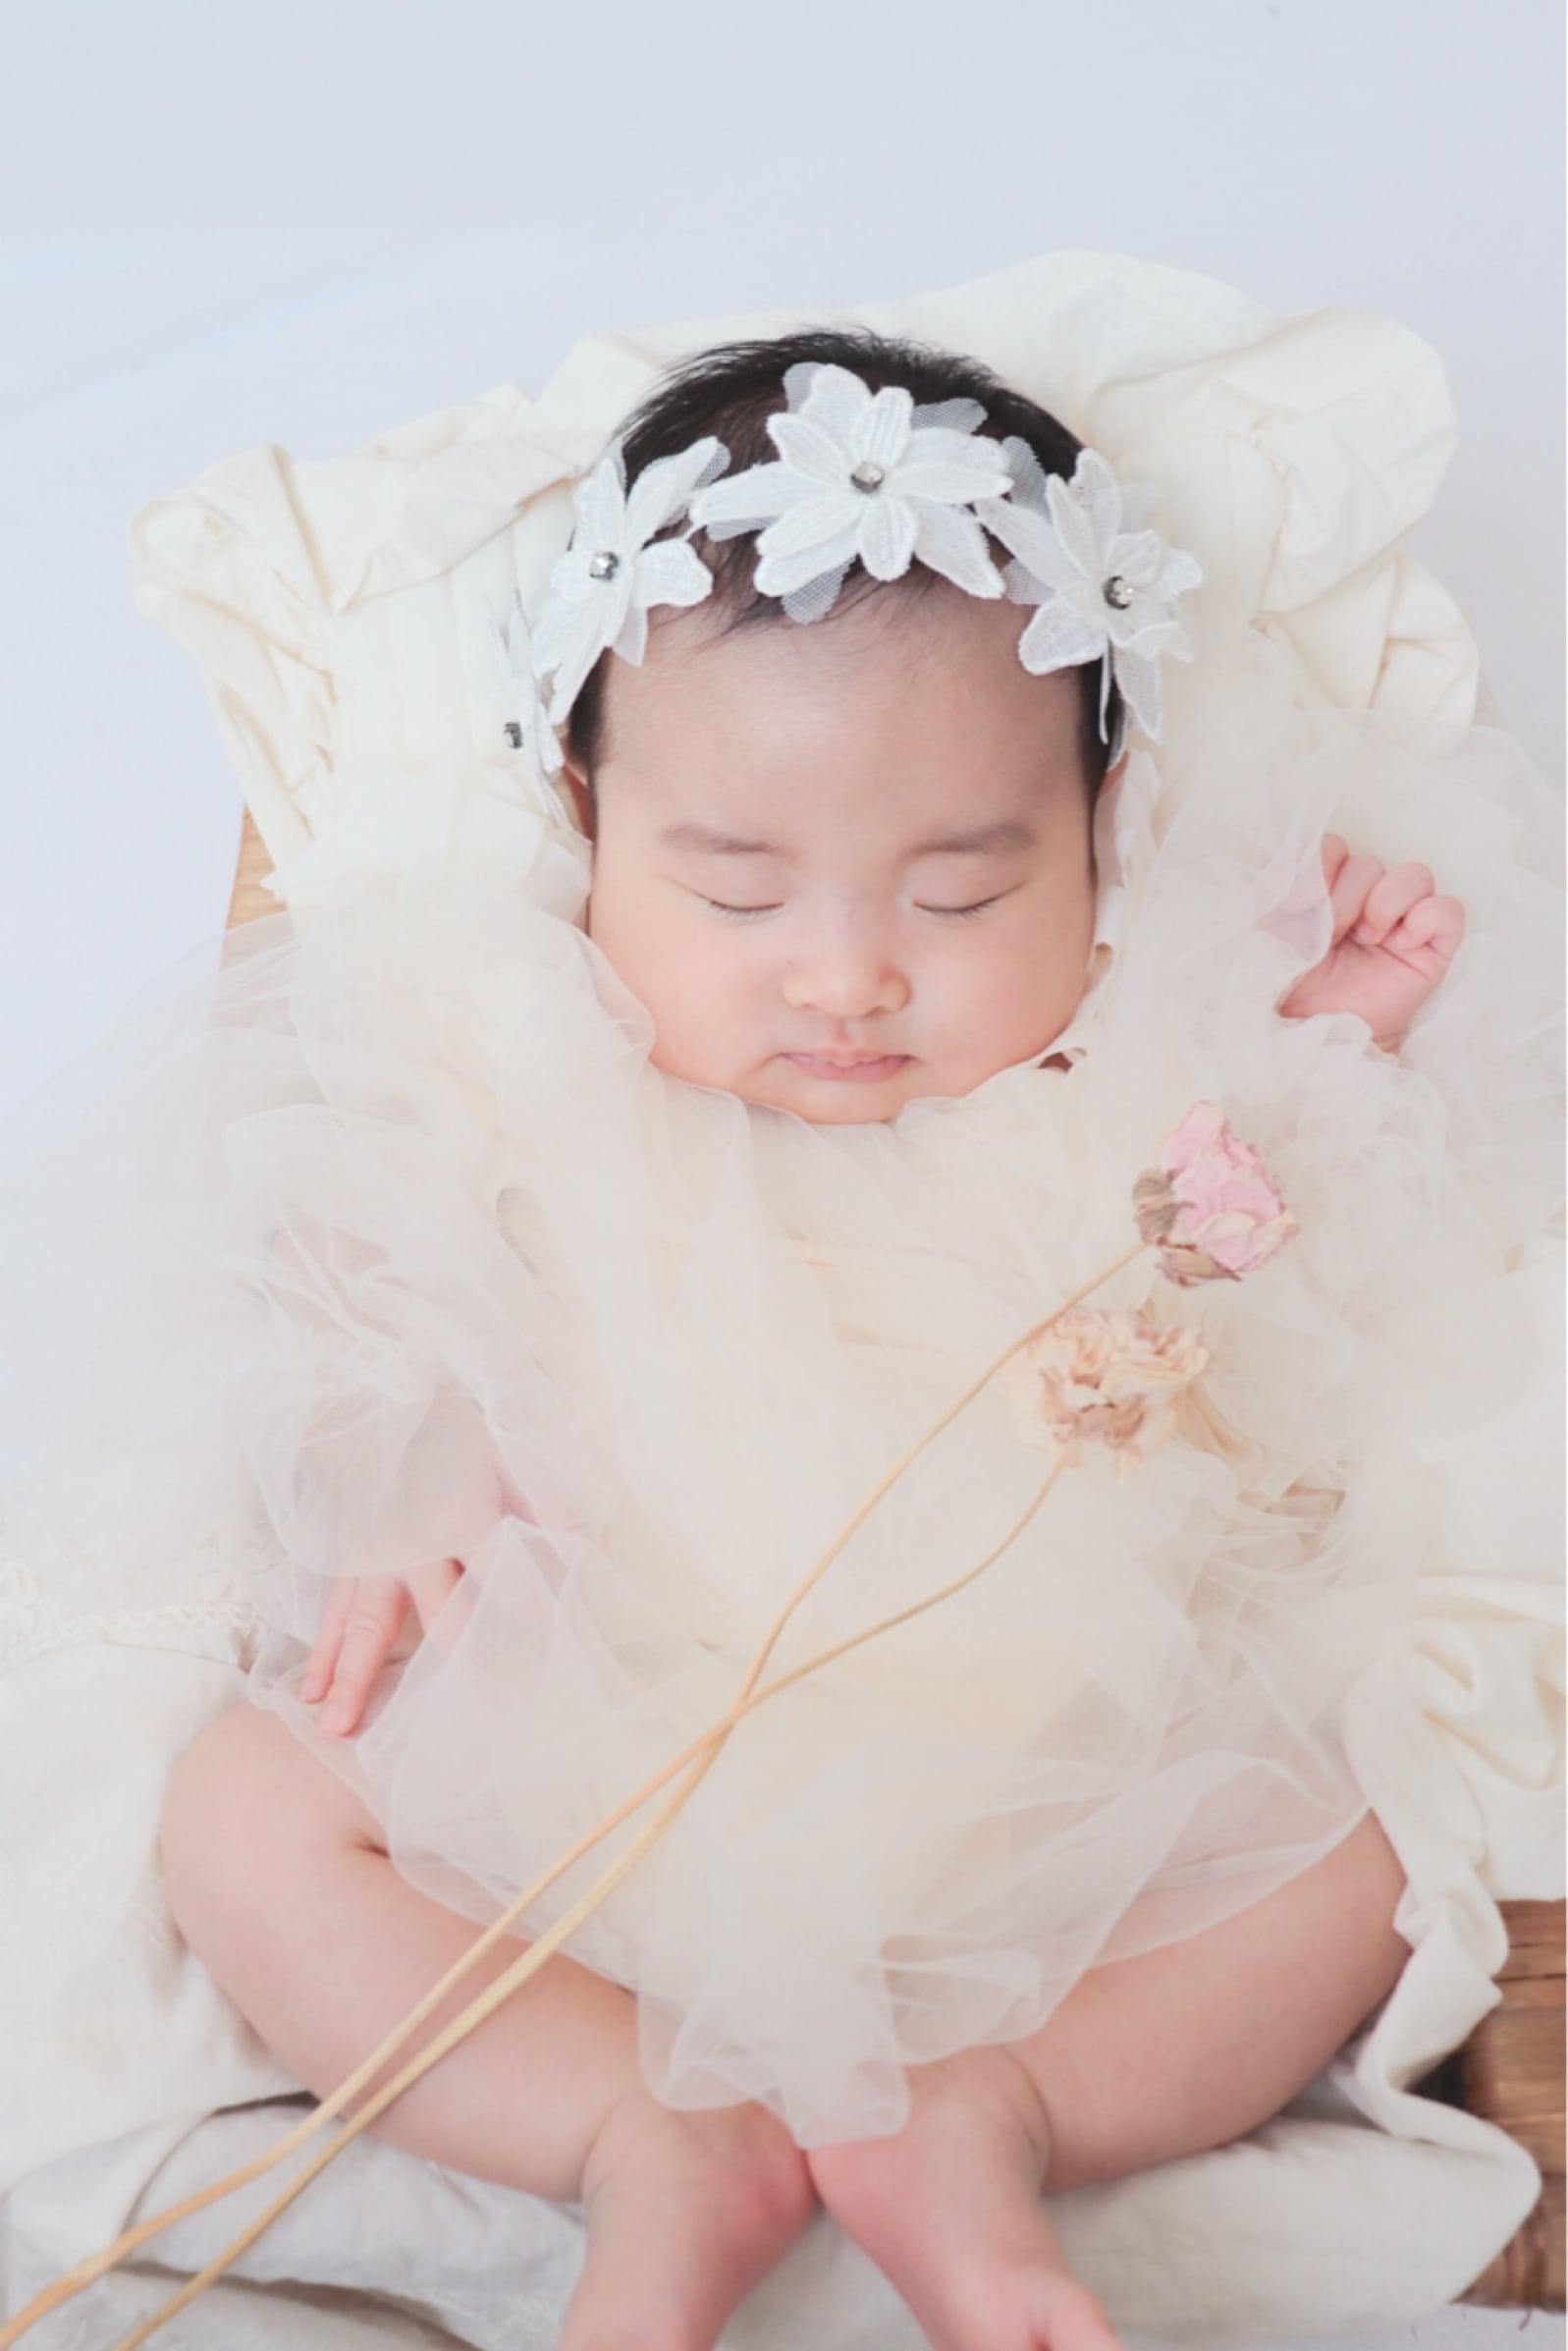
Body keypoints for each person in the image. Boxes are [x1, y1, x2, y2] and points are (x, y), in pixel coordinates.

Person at [5, 328, 1556, 2351]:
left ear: (1096, 827)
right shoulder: (522, 1042)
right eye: (734, 893)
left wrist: (1328, 1042)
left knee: (1369, 1827)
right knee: (250, 1808)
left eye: (959, 892)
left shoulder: (1120, 1063)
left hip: (1055, 1759)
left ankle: (985, 2112)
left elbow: (1267, 1264)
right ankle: (646, 2135)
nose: (843, 978)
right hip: (596, 1735)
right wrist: (413, 1446)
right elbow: (337, 1237)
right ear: (588, 813)